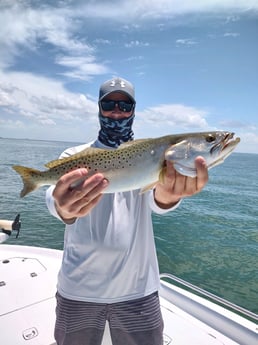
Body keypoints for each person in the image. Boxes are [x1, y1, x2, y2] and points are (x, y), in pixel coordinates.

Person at [46, 77, 208, 345]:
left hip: (138, 292)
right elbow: (54, 198)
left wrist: (169, 196)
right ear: (99, 108)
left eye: (125, 106)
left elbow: (158, 200)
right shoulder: (74, 155)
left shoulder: (152, 155)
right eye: (109, 104)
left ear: (134, 109)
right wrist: (63, 207)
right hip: (78, 291)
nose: (117, 112)